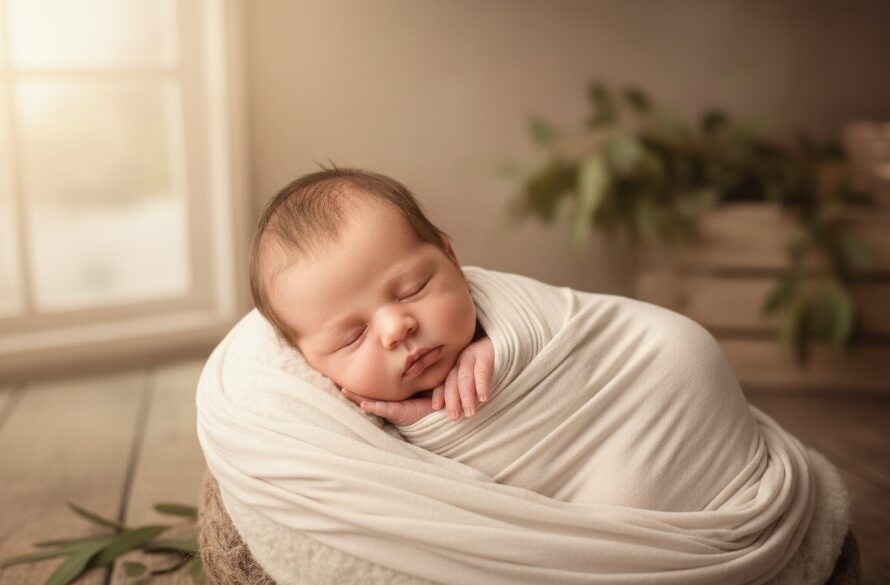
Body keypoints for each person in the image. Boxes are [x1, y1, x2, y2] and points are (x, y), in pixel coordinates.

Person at [249, 166, 493, 426]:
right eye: (353, 337)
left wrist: (500, 348)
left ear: (450, 258)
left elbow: (539, 323)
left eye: (413, 290)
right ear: (311, 363)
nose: (396, 329)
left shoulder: (511, 318)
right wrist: (422, 419)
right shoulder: (335, 426)